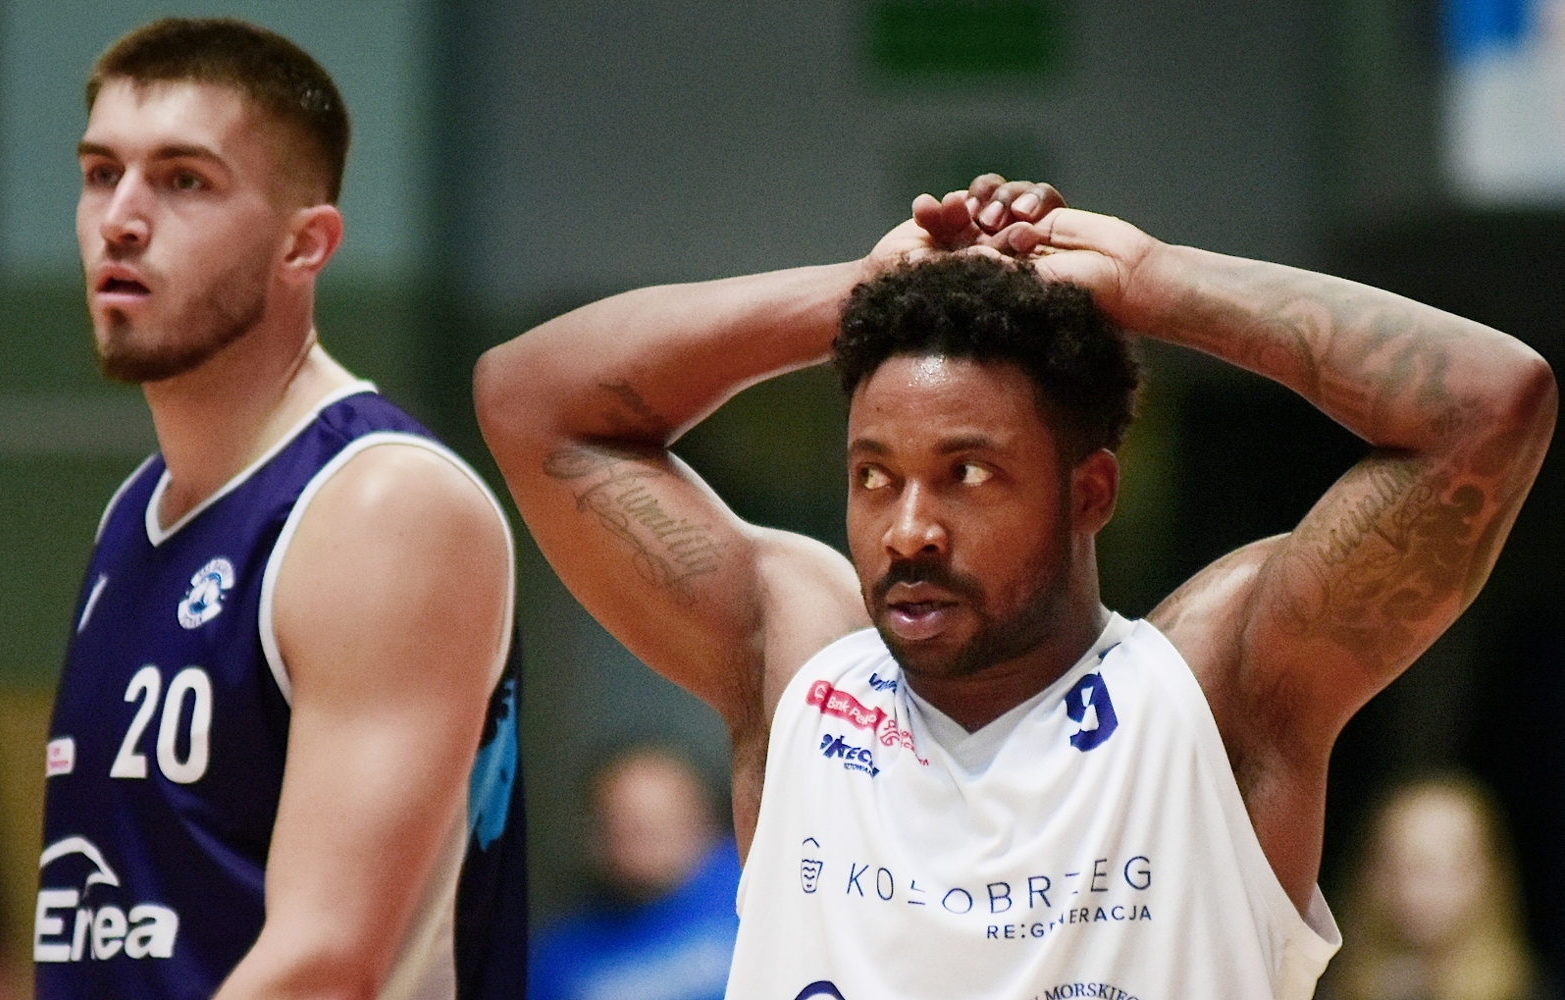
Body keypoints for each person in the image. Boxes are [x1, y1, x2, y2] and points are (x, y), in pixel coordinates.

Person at [473, 176, 1556, 1000]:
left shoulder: (1211, 689)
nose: (908, 528)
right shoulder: (799, 662)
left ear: (1090, 492)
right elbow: (527, 399)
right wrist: (862, 294)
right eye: (873, 477)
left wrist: (1155, 283)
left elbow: (1491, 404)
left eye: (969, 474)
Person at [38, 19, 523, 1000]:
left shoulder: (382, 503)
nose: (121, 219)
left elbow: (323, 964)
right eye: (101, 174)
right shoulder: (134, 512)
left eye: (184, 180)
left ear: (305, 244)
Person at [528, 747, 741, 1000]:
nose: (642, 842)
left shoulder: (753, 891)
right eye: (625, 825)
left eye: (657, 822)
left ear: (701, 819)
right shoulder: (563, 956)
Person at [1324, 776, 1552, 1000]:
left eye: (1442, 866)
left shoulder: (1528, 990)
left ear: (1490, 873)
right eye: (1398, 865)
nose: (1416, 887)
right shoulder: (1330, 986)